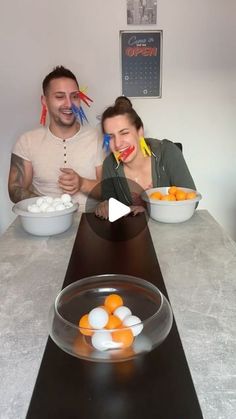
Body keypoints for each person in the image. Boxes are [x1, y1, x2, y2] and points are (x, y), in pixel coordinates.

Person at [8, 65, 104, 210]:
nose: (69, 104)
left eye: (74, 96)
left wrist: (82, 183)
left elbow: (110, 190)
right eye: (60, 97)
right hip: (44, 222)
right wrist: (51, 206)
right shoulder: (27, 141)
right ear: (44, 101)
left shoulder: (98, 138)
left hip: (89, 222)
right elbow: (15, 189)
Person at [95, 96, 196, 219]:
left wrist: (149, 210)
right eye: (110, 137)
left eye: (124, 133)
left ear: (140, 131)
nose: (117, 144)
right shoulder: (109, 164)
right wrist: (105, 206)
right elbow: (111, 204)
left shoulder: (168, 152)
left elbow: (192, 201)